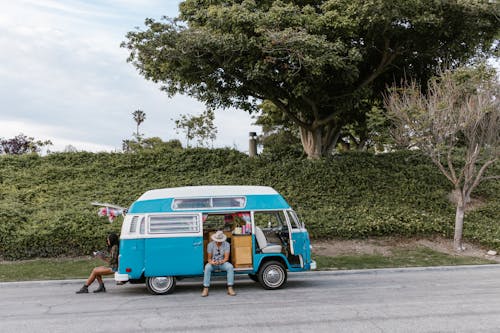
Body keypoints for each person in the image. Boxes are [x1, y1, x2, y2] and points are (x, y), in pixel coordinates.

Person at [201, 230, 236, 297]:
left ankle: (230, 288)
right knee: (207, 267)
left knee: (230, 267)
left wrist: (221, 262)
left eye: (220, 241)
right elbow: (209, 258)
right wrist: (212, 262)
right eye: (217, 240)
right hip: (213, 263)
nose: (218, 242)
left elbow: (226, 258)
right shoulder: (210, 245)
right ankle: (205, 288)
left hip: (222, 263)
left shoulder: (226, 244)